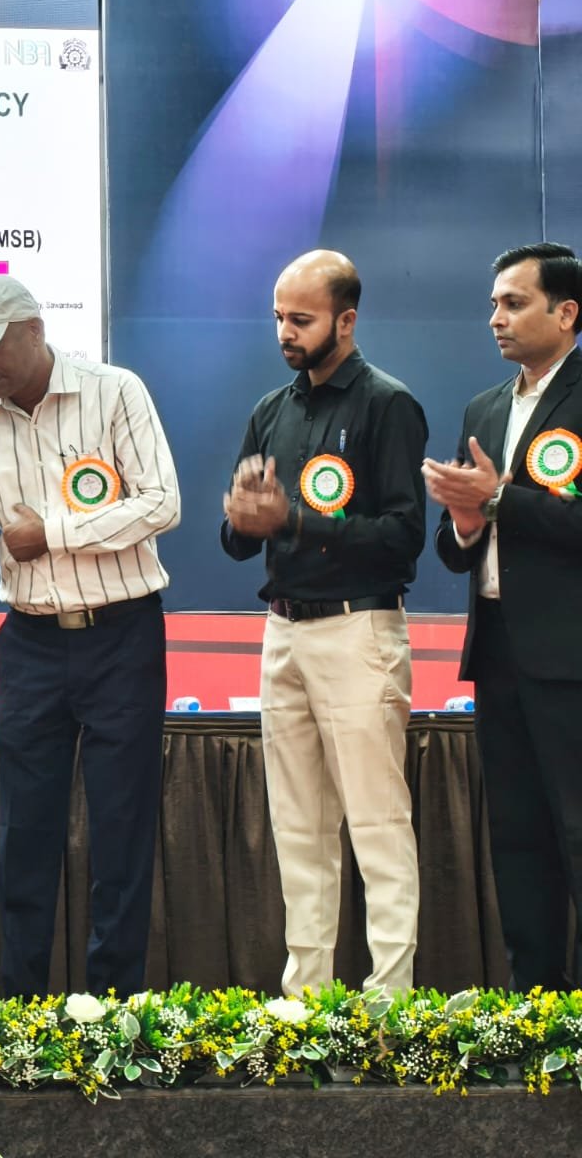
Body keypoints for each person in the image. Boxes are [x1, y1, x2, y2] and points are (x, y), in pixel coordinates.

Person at [0, 274, 178, 999]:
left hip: (122, 635)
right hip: (30, 643)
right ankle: (21, 1010)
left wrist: (56, 532)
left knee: (121, 829)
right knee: (24, 833)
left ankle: (113, 1011)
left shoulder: (115, 391)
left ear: (35, 330)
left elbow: (162, 502)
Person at [221, 250, 426, 995]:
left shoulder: (387, 405)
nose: (285, 331)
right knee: (298, 826)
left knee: (376, 823)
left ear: (346, 320)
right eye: (278, 317)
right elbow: (237, 538)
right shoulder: (270, 410)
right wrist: (244, 520)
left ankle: (391, 1000)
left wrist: (295, 520)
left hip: (358, 630)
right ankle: (306, 995)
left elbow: (404, 537)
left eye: (301, 319)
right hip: (283, 631)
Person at [425, 242, 582, 991]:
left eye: (514, 303)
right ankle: (536, 1007)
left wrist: (496, 500)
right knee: (517, 842)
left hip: (571, 659)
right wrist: (464, 522)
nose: (496, 318)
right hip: (498, 656)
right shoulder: (484, 408)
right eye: (493, 304)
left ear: (567, 312)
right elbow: (457, 546)